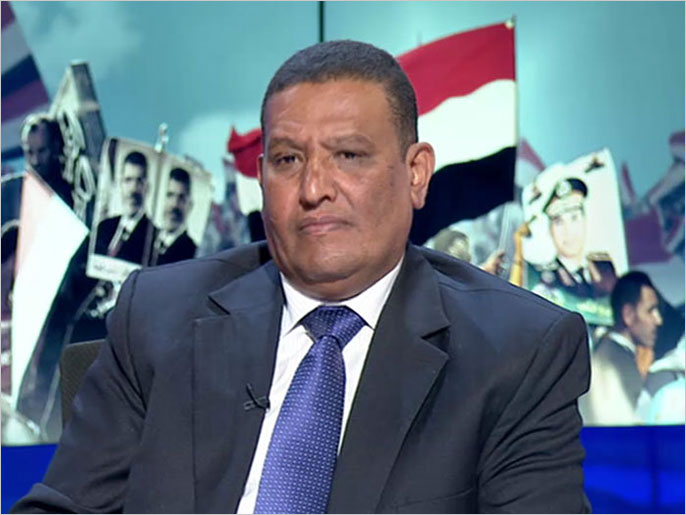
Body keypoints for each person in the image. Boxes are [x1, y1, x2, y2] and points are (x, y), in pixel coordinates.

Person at [13, 40, 590, 513]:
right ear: (263, 176)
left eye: (348, 156)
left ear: (416, 174)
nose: (314, 189)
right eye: (289, 160)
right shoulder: (159, 316)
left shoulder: (519, 353)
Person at [579, 271, 683, 425]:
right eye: (650, 310)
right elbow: (624, 427)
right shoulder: (614, 361)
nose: (658, 320)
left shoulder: (611, 353)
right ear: (628, 314)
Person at [532, 177, 617, 300]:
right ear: (550, 230)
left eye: (574, 218)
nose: (568, 231)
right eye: (559, 222)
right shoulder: (543, 276)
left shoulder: (605, 267)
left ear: (585, 220)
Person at [93, 151, 154, 264]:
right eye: (128, 180)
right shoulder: (103, 227)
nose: (133, 189)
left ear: (147, 188)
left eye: (139, 181)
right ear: (120, 184)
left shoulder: (152, 240)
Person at [20, 114, 73, 209]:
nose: (35, 161)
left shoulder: (71, 192)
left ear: (55, 147)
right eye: (30, 152)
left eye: (42, 151)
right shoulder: (20, 197)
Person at [150, 167, 197, 266]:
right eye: (170, 195)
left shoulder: (193, 254)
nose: (174, 204)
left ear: (190, 206)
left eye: (181, 198)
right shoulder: (146, 238)